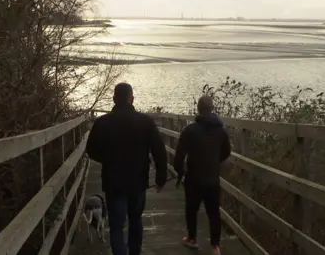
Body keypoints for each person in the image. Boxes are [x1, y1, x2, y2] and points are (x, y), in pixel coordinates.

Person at [86, 82, 167, 255]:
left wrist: (107, 159)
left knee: (116, 226)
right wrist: (161, 178)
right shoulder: (145, 122)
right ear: (132, 98)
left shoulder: (102, 123)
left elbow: (91, 150)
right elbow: (159, 151)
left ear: (114, 99)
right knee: (136, 219)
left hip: (113, 182)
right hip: (138, 181)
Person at [173, 95, 231, 255]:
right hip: (212, 178)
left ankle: (192, 239)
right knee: (214, 212)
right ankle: (215, 246)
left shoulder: (190, 130)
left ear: (198, 109)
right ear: (212, 109)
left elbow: (179, 156)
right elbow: (227, 151)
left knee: (191, 209)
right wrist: (214, 162)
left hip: (194, 178)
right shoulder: (221, 130)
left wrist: (180, 172)